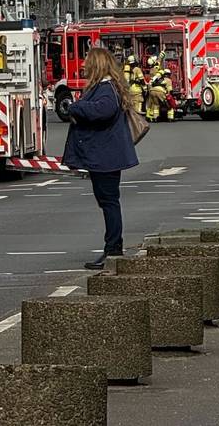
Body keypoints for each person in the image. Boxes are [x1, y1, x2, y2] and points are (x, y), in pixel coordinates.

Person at [61, 46, 138, 270]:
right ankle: (113, 247)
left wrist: (76, 107)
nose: (84, 66)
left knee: (108, 202)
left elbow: (102, 111)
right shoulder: (109, 87)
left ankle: (113, 249)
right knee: (108, 201)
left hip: (106, 157)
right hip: (106, 155)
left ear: (97, 65)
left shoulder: (105, 89)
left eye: (87, 62)